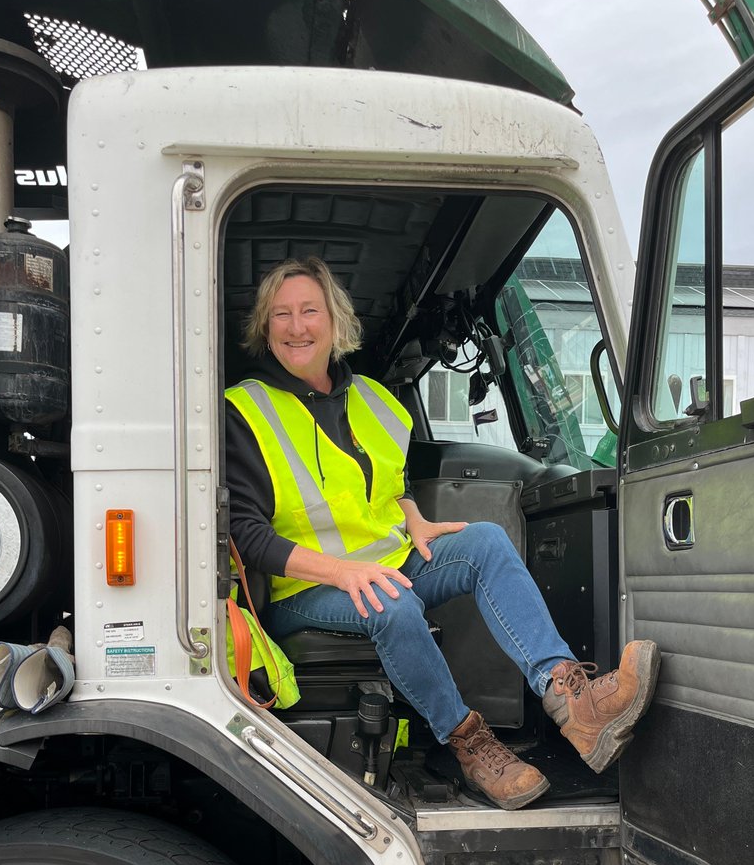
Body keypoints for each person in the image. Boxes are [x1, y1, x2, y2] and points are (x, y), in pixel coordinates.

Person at [225, 256, 660, 810]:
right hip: (304, 590)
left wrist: (412, 516)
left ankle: (572, 701)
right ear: (266, 328)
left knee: (483, 542)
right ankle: (471, 746)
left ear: (334, 321)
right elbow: (245, 533)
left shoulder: (376, 401)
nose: (296, 326)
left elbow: (388, 478)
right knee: (394, 603)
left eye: (309, 310)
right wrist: (343, 571)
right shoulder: (247, 409)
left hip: (388, 562)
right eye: (281, 315)